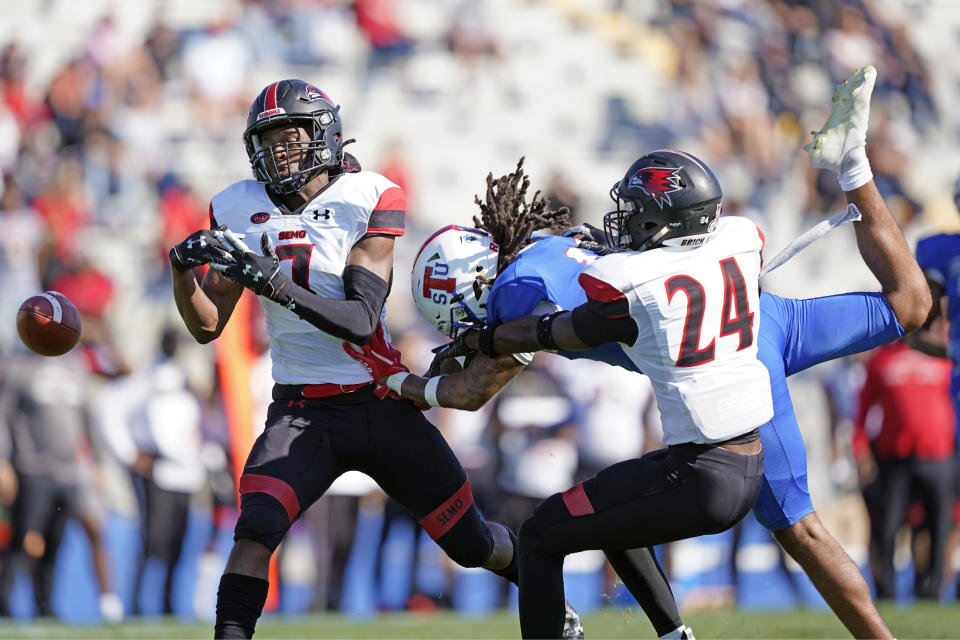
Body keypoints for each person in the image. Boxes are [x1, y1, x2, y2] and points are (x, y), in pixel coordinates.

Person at [348, 66, 929, 639]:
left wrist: (407, 383)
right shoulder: (556, 246)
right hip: (758, 314)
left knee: (793, 529)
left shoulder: (516, 295)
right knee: (907, 308)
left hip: (730, 364)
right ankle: (854, 166)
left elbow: (472, 391)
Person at [168, 79, 568, 639]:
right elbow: (209, 326)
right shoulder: (235, 207)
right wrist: (182, 275)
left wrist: (273, 281)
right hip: (300, 409)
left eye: (290, 137)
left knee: (471, 544)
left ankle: (550, 595)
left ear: (323, 135)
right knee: (255, 531)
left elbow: (359, 317)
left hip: (380, 401)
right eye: (268, 140)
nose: (278, 151)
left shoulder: (368, 195)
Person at [853, 340, 955, 600]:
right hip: (894, 457)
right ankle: (886, 593)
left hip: (938, 456)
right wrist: (860, 449)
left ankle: (930, 592)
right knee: (888, 527)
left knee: (938, 528)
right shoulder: (882, 359)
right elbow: (863, 410)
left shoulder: (942, 357)